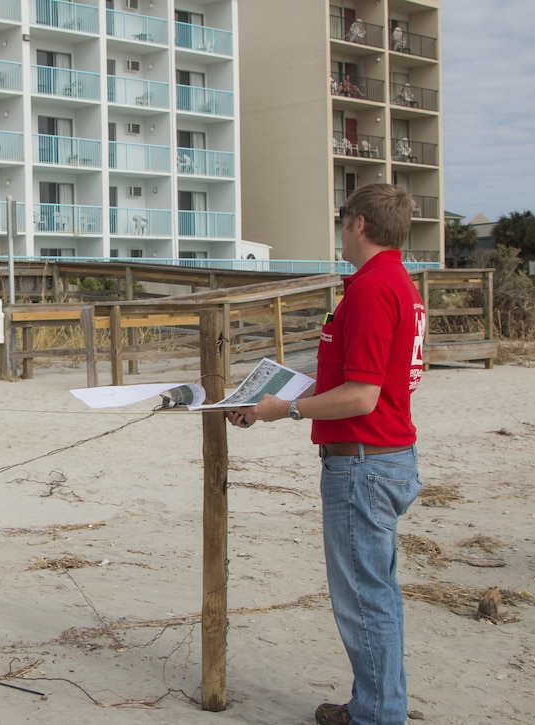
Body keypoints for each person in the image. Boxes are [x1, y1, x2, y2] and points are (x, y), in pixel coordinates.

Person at [227, 184, 426, 725]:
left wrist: (282, 413)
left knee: (365, 600)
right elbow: (351, 377)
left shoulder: (372, 290)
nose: (340, 228)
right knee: (372, 594)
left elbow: (362, 395)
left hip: (364, 462)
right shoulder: (395, 283)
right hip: (383, 456)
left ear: (358, 223)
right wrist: (271, 400)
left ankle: (379, 714)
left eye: (343, 219)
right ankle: (374, 704)